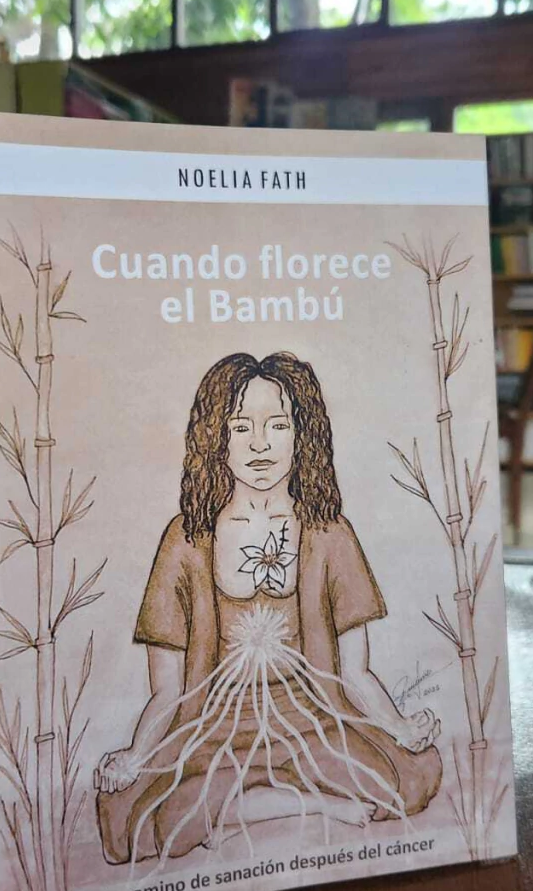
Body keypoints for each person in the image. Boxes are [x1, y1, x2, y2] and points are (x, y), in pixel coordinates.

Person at [95, 351, 442, 865]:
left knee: (406, 781)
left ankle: (252, 805)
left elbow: (355, 671)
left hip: (311, 721)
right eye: (241, 427)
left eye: (278, 425)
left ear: (303, 436)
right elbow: (168, 689)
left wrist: (400, 728)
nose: (260, 444)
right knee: (145, 824)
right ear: (216, 438)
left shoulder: (329, 533)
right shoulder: (186, 540)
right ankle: (292, 802)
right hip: (213, 730)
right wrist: (135, 756)